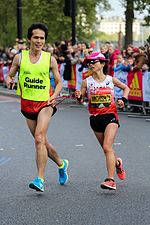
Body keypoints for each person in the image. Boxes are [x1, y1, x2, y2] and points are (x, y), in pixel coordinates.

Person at [6, 22, 69, 192]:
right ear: (29, 39)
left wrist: (53, 97)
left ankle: (39, 179)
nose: (39, 41)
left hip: (45, 103)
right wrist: (9, 80)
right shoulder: (20, 58)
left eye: (42, 38)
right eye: (36, 37)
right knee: (43, 142)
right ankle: (62, 164)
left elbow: (58, 83)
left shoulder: (50, 59)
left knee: (39, 137)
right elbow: (9, 75)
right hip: (27, 103)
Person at [75, 52, 130, 190]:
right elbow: (80, 100)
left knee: (107, 147)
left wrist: (123, 99)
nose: (91, 64)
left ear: (103, 64)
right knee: (108, 149)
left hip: (110, 117)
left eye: (94, 62)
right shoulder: (86, 81)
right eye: (89, 62)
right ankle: (117, 163)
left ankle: (110, 180)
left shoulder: (110, 80)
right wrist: (79, 96)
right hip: (95, 119)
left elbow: (126, 88)